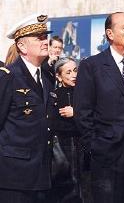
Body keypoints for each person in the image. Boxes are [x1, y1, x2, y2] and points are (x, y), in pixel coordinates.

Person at [73, 12, 124, 203]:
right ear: (110, 34)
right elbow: (83, 112)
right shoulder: (92, 66)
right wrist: (95, 146)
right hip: (106, 157)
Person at [0, 14, 54, 203]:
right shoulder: (8, 77)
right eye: (38, 38)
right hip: (13, 177)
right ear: (21, 46)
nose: (45, 42)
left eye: (45, 37)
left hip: (42, 173)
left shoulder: (47, 77)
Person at [46, 57, 83, 203]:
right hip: (61, 148)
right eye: (68, 72)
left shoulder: (85, 94)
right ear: (58, 76)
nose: (73, 75)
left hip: (84, 146)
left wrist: (76, 113)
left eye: (75, 70)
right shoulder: (53, 95)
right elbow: (54, 123)